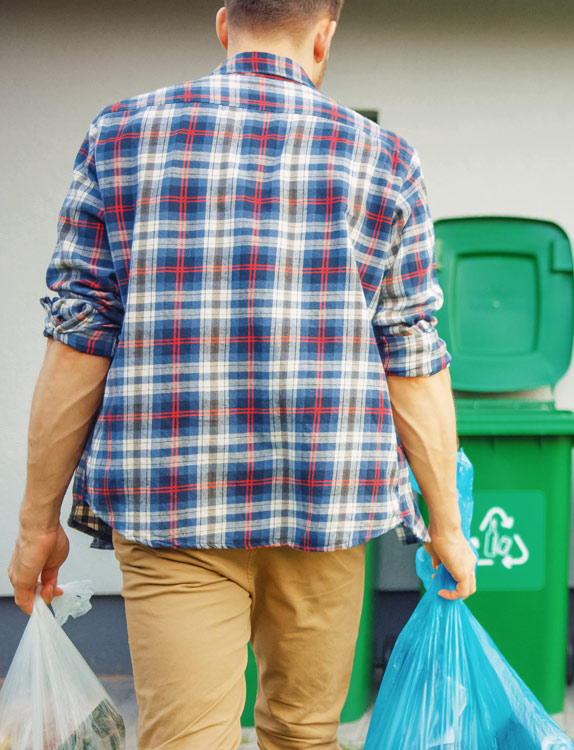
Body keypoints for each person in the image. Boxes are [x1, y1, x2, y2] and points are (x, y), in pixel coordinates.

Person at [6, 1, 477, 747]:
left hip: (170, 501)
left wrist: (38, 522)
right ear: (325, 34)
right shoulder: (385, 159)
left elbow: (78, 337)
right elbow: (411, 355)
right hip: (326, 504)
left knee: (187, 739)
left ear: (224, 24)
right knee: (302, 735)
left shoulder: (120, 135)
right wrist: (445, 523)